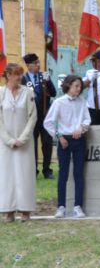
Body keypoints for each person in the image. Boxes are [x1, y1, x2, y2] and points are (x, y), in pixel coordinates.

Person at [44, 75, 91, 218]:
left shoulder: (82, 102)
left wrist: (81, 128)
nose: (79, 88)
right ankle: (61, 207)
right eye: (76, 86)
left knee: (78, 173)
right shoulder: (59, 102)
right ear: (68, 85)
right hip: (64, 141)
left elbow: (87, 119)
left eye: (80, 86)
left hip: (79, 140)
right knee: (63, 174)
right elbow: (48, 122)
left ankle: (78, 206)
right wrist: (59, 136)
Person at [0, 63, 38, 222]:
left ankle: (25, 211)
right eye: (17, 74)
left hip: (25, 143)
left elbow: (33, 117)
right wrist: (9, 140)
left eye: (21, 74)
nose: (20, 77)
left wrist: (22, 138)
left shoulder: (28, 92)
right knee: (6, 175)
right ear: (8, 75)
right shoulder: (1, 93)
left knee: (25, 175)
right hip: (5, 143)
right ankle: (8, 210)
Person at [21, 53, 57, 179]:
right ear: (28, 65)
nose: (38, 65)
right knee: (32, 144)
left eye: (38, 62)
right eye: (35, 63)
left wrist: (48, 81)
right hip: (31, 117)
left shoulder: (44, 76)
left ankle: (47, 170)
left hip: (45, 115)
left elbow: (53, 93)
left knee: (47, 143)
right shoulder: (23, 79)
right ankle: (33, 170)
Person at [83, 50, 100, 125]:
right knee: (92, 129)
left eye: (95, 61)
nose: (93, 63)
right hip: (91, 108)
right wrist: (89, 79)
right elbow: (82, 86)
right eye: (92, 61)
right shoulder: (89, 72)